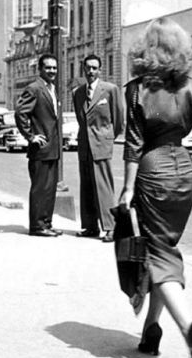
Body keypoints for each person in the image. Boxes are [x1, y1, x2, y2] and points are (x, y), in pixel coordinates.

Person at [118, 17, 192, 358]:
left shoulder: (136, 90)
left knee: (158, 254)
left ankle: (187, 327)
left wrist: (128, 188)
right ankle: (151, 330)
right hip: (184, 173)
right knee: (162, 250)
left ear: (145, 51)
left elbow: (133, 145)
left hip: (152, 173)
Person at [73, 54, 124, 242]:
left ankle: (111, 227)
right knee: (86, 187)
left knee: (104, 187)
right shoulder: (77, 93)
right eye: (88, 68)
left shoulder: (110, 90)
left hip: (101, 145)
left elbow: (118, 121)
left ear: (100, 70)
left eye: (94, 68)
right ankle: (90, 226)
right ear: (83, 69)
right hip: (84, 146)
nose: (91, 71)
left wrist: (106, 138)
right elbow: (81, 120)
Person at [15, 53, 63, 237]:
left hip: (52, 148)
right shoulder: (34, 88)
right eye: (48, 68)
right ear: (40, 69)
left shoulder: (51, 88)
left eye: (54, 68)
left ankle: (46, 223)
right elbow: (20, 113)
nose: (52, 71)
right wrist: (30, 136)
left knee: (50, 189)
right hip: (40, 149)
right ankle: (37, 226)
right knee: (40, 188)